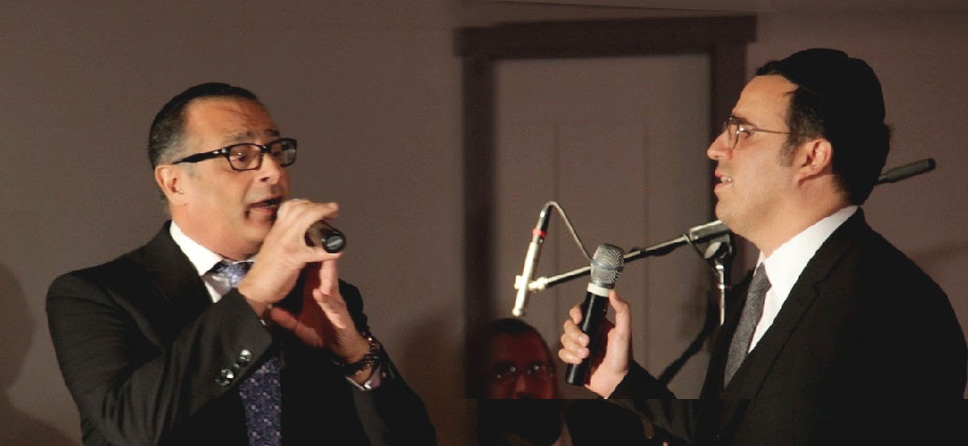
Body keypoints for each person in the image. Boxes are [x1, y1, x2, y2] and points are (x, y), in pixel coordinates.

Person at [558, 48, 968, 445]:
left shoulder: (896, 305)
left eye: (744, 131)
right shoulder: (757, 290)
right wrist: (621, 380)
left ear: (812, 157)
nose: (716, 147)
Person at [46, 82, 436, 445]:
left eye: (275, 150)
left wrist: (354, 358)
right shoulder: (95, 296)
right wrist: (253, 295)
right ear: (174, 182)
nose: (273, 172)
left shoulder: (322, 297)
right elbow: (133, 425)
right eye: (240, 156)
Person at [474, 318, 666, 446]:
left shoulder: (611, 426)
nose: (525, 386)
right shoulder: (462, 434)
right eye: (505, 373)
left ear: (554, 378)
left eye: (536, 370)